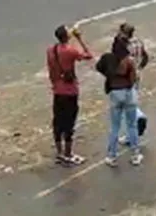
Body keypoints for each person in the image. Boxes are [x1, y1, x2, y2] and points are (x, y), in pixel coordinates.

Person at [47, 25, 93, 165]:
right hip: (70, 91)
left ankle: (59, 152)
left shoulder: (51, 50)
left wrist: (55, 84)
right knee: (69, 123)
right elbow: (88, 55)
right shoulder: (70, 51)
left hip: (57, 90)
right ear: (67, 36)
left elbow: (51, 71)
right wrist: (79, 38)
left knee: (58, 122)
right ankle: (68, 154)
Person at [97, 34, 143, 166]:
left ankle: (112, 156)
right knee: (132, 125)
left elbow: (99, 68)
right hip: (128, 93)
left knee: (115, 126)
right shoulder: (129, 61)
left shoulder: (108, 58)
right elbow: (133, 78)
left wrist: (109, 77)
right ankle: (135, 155)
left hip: (115, 93)